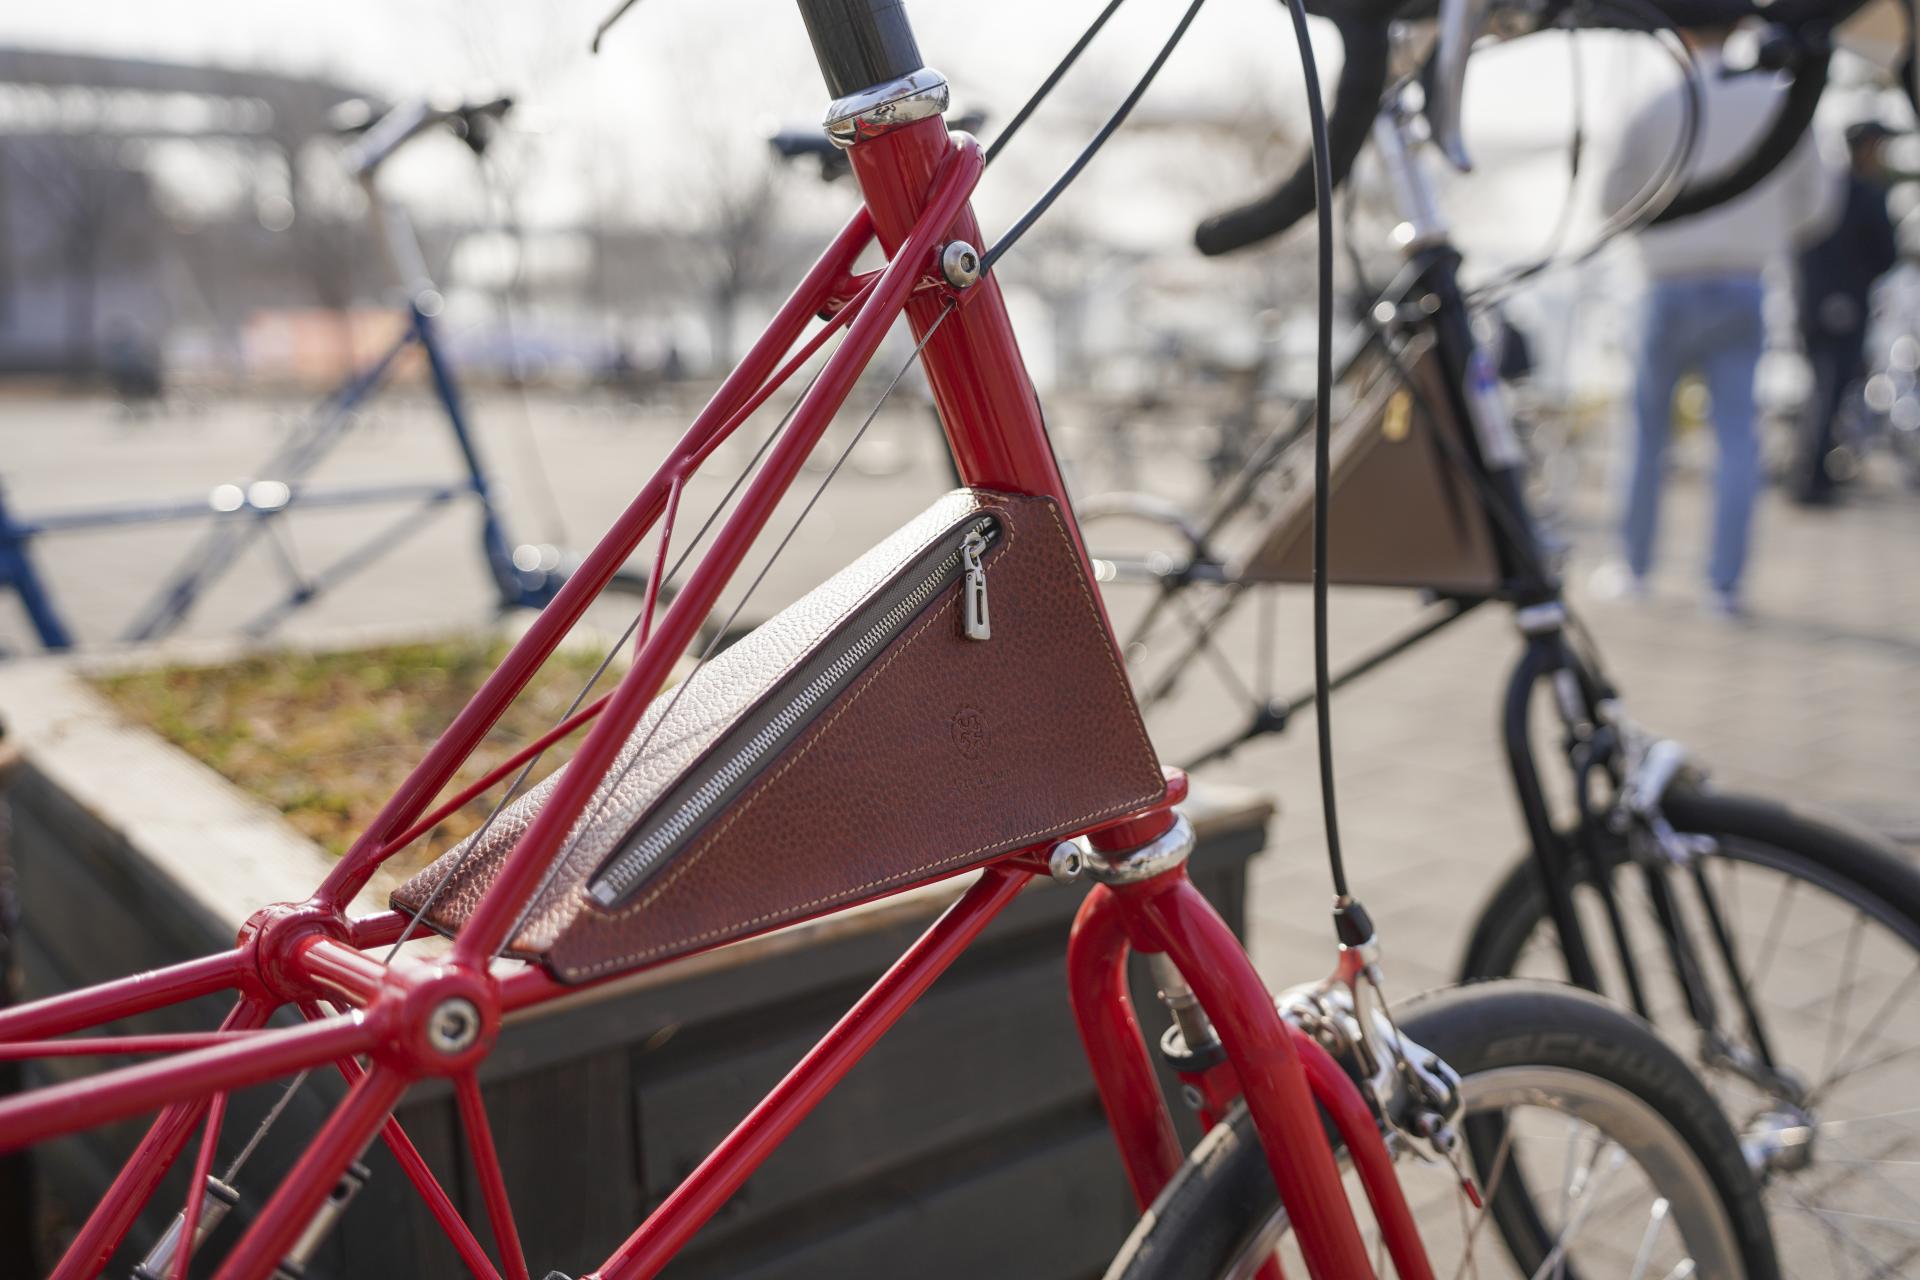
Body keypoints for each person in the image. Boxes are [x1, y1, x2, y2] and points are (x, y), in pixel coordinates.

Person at [1599, 27, 1838, 616]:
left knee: (1646, 434)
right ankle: (1724, 586)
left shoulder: (1658, 102)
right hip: (1743, 281)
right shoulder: (1780, 101)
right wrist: (1764, 231)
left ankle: (1633, 569)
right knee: (1736, 439)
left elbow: (1610, 199)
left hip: (1666, 282)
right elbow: (1817, 204)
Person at [1793, 120, 1901, 505]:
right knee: (1828, 390)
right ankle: (1811, 479)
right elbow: (1886, 254)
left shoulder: (1825, 187)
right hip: (1842, 307)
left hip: (1815, 305)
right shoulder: (1861, 192)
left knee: (1826, 390)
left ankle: (1815, 474)